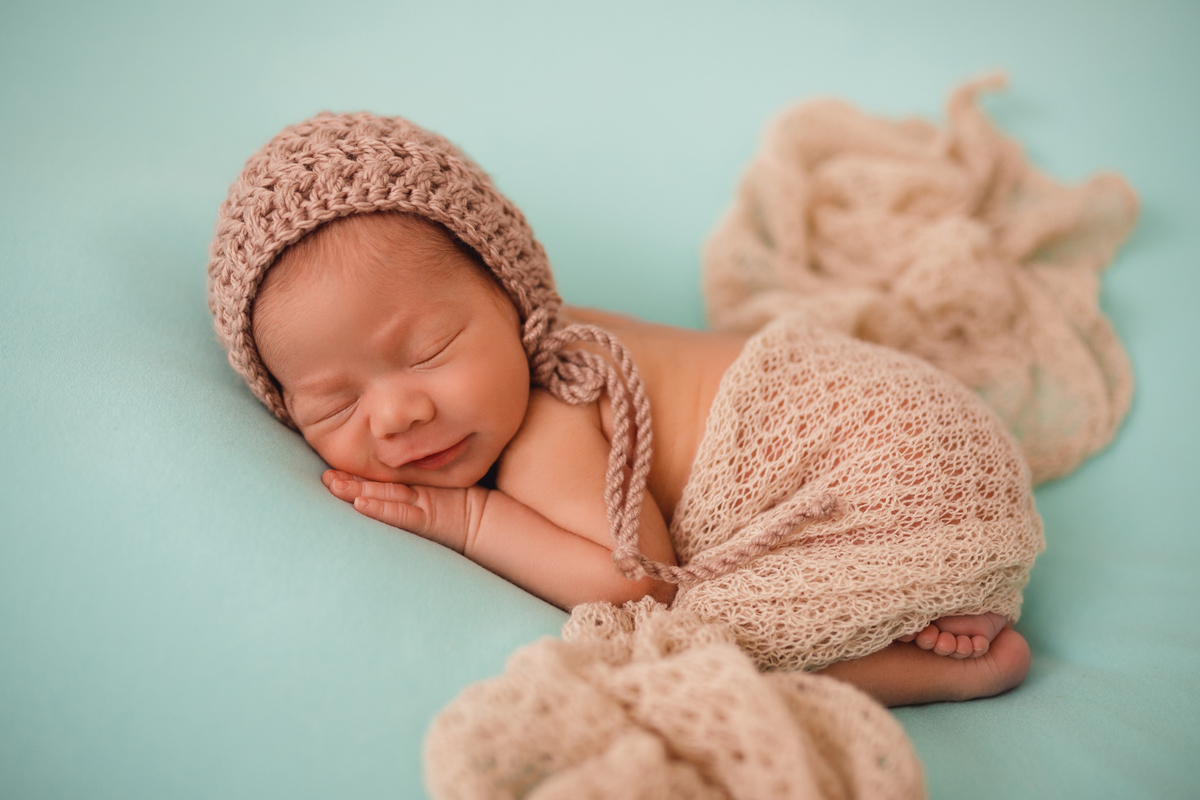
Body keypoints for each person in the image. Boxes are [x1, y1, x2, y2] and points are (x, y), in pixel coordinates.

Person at [208, 112, 1036, 706]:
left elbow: (633, 584)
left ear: (510, 290)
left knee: (679, 647)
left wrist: (465, 523)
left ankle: (940, 667)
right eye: (334, 403)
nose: (394, 415)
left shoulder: (553, 408)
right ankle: (935, 596)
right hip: (935, 428)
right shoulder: (567, 339)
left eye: (427, 351)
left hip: (893, 475)